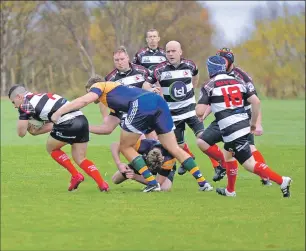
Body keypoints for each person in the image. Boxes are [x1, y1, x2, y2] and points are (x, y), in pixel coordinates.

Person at [51, 77, 213, 193]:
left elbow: (83, 101)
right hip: (158, 102)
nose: (94, 98)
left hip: (142, 103)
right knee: (173, 148)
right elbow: (107, 128)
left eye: (91, 93)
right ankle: (203, 183)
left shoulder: (101, 86)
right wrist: (84, 128)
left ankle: (151, 182)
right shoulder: (115, 99)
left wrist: (59, 113)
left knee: (125, 146)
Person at [196, 55, 292, 197]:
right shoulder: (238, 80)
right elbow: (256, 102)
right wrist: (253, 124)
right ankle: (230, 190)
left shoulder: (209, 85)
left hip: (231, 129)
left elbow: (199, 112)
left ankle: (282, 180)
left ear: (210, 69)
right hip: (243, 124)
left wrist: (201, 105)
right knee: (228, 155)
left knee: (249, 164)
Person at [8, 85, 109, 192]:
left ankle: (76, 175)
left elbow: (21, 133)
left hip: (68, 122)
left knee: (51, 148)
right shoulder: (41, 96)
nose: (14, 106)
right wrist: (36, 129)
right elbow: (53, 121)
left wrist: (29, 125)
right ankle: (102, 184)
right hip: (82, 120)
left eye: (13, 102)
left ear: (19, 97)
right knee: (80, 158)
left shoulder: (25, 104)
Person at [197, 47, 271, 185]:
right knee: (202, 142)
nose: (221, 63)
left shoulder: (242, 77)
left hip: (241, 117)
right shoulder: (216, 75)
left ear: (230, 62)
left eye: (224, 60)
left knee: (250, 148)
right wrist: (205, 114)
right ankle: (223, 165)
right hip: (223, 118)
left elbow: (255, 101)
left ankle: (265, 176)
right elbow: (214, 100)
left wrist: (257, 123)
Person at [152, 40, 214, 176]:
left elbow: (196, 76)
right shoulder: (159, 70)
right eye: (168, 51)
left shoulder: (190, 65)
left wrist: (193, 88)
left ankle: (219, 165)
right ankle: (189, 159)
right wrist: (154, 90)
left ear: (180, 52)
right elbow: (150, 84)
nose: (170, 54)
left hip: (191, 110)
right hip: (172, 114)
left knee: (203, 138)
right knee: (178, 146)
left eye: (173, 51)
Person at [89, 46, 159, 140]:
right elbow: (102, 101)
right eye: (116, 60)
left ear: (127, 58)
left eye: (122, 59)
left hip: (144, 112)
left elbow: (153, 86)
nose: (120, 62)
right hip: (125, 115)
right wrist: (105, 117)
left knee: (153, 140)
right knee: (141, 141)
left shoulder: (142, 71)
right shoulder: (110, 79)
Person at [111, 138, 176, 191]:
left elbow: (158, 183)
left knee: (164, 188)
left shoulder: (169, 159)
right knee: (115, 179)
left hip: (164, 168)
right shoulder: (144, 145)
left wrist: (135, 176)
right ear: (147, 155)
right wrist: (119, 163)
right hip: (144, 162)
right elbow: (115, 145)